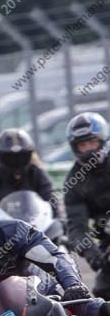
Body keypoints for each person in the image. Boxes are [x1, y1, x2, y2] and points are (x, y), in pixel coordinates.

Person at [64, 112, 110, 299]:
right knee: (102, 292)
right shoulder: (75, 181)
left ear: (102, 140)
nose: (89, 149)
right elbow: (77, 227)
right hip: (107, 241)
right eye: (83, 145)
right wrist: (92, 254)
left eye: (92, 142)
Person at [0, 128, 60, 215]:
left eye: (20, 157)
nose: (15, 161)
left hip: (35, 226)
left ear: (28, 155)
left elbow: (51, 200)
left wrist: (57, 220)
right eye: (10, 157)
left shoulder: (36, 173)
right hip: (4, 227)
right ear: (1, 157)